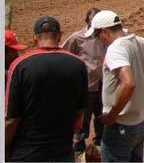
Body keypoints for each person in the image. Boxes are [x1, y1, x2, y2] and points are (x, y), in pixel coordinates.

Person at [87, 10, 144, 162]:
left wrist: (112, 115)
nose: (98, 40)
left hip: (120, 127)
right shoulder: (140, 41)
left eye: (97, 36)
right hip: (138, 124)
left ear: (104, 31)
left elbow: (128, 83)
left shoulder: (116, 48)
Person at [6, 16, 88, 162]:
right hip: (62, 152)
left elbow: (12, 120)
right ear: (60, 36)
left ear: (34, 38)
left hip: (27, 153)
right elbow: (79, 112)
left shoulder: (20, 65)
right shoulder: (78, 64)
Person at [61, 8, 104, 155]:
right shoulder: (77, 38)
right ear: (87, 21)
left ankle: (100, 140)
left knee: (102, 113)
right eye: (93, 20)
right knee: (83, 117)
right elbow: (64, 54)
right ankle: (79, 145)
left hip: (103, 83)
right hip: (86, 85)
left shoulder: (104, 35)